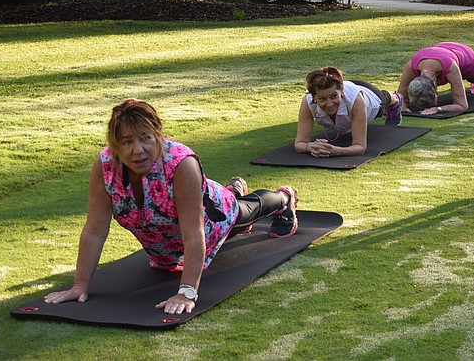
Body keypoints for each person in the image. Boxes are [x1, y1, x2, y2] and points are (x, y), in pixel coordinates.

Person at [44, 99, 298, 316]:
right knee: (172, 260)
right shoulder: (105, 166)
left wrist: (187, 292)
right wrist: (79, 286)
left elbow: (194, 232)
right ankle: (232, 190)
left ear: (158, 135)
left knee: (241, 214)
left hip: (211, 219)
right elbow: (94, 231)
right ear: (114, 144)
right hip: (165, 247)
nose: (138, 150)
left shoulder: (180, 163)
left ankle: (283, 199)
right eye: (127, 141)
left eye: (145, 139)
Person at [295, 66, 403, 158]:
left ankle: (396, 99)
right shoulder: (308, 101)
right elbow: (299, 144)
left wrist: (336, 151)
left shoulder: (356, 100)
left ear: (341, 91)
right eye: (322, 99)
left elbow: (360, 147)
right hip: (345, 86)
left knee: (385, 100)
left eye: (333, 97)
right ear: (314, 97)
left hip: (371, 94)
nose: (329, 103)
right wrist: (311, 147)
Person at [398, 41, 474, 115]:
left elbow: (462, 106)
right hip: (443, 49)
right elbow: (400, 95)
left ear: (435, 84)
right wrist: (402, 105)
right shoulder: (410, 67)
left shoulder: (450, 67)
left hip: (467, 56)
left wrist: (438, 108)